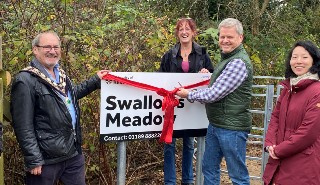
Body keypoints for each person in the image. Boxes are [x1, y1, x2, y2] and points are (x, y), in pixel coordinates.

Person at [10, 31, 109, 185]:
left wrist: (95, 81)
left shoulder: (60, 75)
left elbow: (68, 98)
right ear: (35, 49)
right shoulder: (25, 80)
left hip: (72, 153)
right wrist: (33, 158)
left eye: (56, 47)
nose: (52, 51)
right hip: (45, 158)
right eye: (47, 47)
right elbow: (23, 125)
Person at [176, 18, 252, 185]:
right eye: (222, 36)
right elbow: (220, 83)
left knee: (237, 176)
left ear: (240, 38)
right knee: (209, 168)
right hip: (216, 125)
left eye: (230, 37)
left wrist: (188, 94)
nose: (225, 40)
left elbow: (214, 94)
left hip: (232, 128)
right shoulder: (227, 59)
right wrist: (207, 76)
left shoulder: (238, 62)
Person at [159, 17, 214, 185]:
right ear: (177, 33)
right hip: (173, 106)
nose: (184, 32)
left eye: (187, 29)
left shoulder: (202, 53)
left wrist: (205, 73)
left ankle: (188, 181)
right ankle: (170, 182)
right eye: (181, 29)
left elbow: (212, 76)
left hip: (192, 105)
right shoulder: (169, 55)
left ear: (193, 32)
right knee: (169, 144)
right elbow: (160, 76)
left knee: (189, 144)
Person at [263, 41, 320, 185]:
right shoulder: (289, 88)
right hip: (280, 162)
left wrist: (278, 150)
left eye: (304, 57)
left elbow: (308, 133)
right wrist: (270, 143)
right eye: (294, 57)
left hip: (303, 165)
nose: (298, 61)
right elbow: (275, 117)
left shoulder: (317, 91)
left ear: (314, 61)